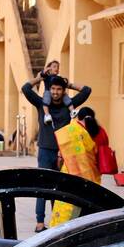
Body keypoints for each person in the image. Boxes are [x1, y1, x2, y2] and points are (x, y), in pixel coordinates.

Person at [21, 74, 92, 232]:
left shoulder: (69, 105)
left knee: (60, 187)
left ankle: (56, 219)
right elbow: (26, 89)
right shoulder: (41, 104)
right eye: (53, 89)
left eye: (59, 89)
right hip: (46, 150)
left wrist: (69, 84)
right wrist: (39, 78)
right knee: (42, 185)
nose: (55, 92)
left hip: (65, 152)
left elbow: (87, 90)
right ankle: (40, 222)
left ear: (63, 91)